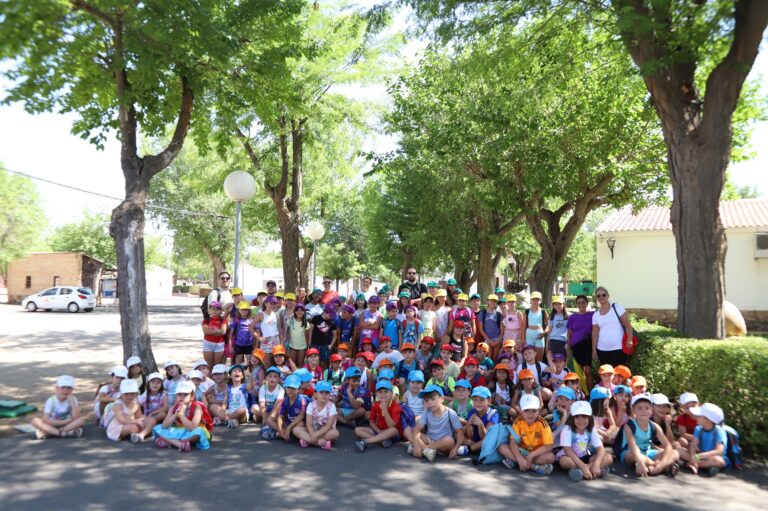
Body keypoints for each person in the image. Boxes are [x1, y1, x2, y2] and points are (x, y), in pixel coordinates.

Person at [618, 394, 680, 477]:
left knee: (675, 453)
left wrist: (661, 464)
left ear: (651, 410)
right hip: (632, 452)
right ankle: (661, 466)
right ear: (633, 410)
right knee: (633, 456)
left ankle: (657, 468)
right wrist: (640, 460)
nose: (644, 411)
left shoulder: (654, 426)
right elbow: (633, 446)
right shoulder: (629, 425)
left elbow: (668, 445)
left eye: (647, 408)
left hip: (648, 452)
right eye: (639, 408)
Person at [500, 394, 555, 475]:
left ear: (538, 411)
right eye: (527, 410)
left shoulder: (543, 424)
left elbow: (549, 446)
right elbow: (512, 442)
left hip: (536, 453)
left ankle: (516, 461)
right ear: (521, 411)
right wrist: (519, 458)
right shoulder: (518, 422)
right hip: (522, 451)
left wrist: (532, 455)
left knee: (551, 457)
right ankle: (534, 467)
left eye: (534, 410)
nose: (530, 414)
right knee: (501, 447)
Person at [558, 401, 613, 481]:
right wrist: (583, 466)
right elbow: (568, 451)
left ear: (589, 417)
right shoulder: (567, 429)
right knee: (564, 462)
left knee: (609, 457)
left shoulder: (591, 429)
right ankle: (592, 471)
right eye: (577, 417)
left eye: (584, 416)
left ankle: (583, 472)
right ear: (572, 417)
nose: (581, 421)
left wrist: (596, 464)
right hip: (571, 457)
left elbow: (600, 448)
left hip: (585, 456)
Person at [152, 380, 212, 452]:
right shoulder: (174, 407)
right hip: (181, 431)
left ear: (192, 396)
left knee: (198, 432)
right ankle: (180, 444)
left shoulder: (197, 408)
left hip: (194, 432)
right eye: (179, 394)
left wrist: (181, 415)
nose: (181, 397)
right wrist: (175, 415)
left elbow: (192, 428)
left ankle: (171, 441)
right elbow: (164, 426)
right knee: (158, 428)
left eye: (185, 394)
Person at [410, 384, 464, 461]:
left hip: (443, 444)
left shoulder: (450, 413)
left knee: (449, 440)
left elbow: (460, 432)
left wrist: (456, 448)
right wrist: (416, 444)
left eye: (433, 399)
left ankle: (425, 449)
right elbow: (416, 430)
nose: (430, 403)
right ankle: (425, 449)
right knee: (414, 431)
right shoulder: (427, 411)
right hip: (430, 439)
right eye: (426, 400)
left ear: (442, 399)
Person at [678, 402, 729, 476]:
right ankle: (704, 466)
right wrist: (693, 456)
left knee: (719, 461)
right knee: (679, 450)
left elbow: (719, 451)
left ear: (708, 419)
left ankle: (689, 464)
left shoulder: (719, 431)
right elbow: (694, 445)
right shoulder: (698, 428)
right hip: (700, 456)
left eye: (699, 416)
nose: (696, 416)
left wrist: (698, 457)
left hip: (712, 457)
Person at [354, 380, 405, 452]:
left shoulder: (395, 406)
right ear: (376, 394)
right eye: (380, 392)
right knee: (357, 430)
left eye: (386, 391)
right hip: (380, 430)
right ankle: (381, 441)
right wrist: (379, 432)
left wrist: (385, 410)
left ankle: (365, 442)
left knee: (393, 430)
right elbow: (371, 421)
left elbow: (392, 426)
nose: (383, 394)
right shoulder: (375, 405)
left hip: (393, 434)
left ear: (391, 393)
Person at [32, 375, 85, 439]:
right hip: (53, 424)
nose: (65, 390)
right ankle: (62, 433)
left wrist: (73, 403)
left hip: (67, 425)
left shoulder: (73, 399)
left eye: (69, 388)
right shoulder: (51, 400)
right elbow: (46, 419)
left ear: (72, 390)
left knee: (81, 421)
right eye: (63, 387)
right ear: (57, 388)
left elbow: (76, 417)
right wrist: (63, 422)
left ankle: (51, 433)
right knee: (35, 421)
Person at [102, 379, 155, 444]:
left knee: (152, 420)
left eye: (132, 394)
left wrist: (147, 420)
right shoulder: (118, 405)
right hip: (119, 426)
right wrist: (137, 421)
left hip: (133, 422)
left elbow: (139, 415)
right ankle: (137, 433)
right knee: (134, 427)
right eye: (126, 394)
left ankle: (141, 435)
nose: (129, 396)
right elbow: (122, 420)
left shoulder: (136, 402)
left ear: (136, 394)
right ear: (121, 394)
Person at [591, 286, 633, 367]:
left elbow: (627, 325)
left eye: (603, 295)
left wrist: (630, 339)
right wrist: (594, 350)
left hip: (618, 348)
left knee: (619, 376)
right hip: (602, 350)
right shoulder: (596, 315)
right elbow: (595, 332)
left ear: (608, 296)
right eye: (598, 296)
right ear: (596, 298)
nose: (601, 297)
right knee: (607, 377)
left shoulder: (617, 307)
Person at [294, 381, 339, 450]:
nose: (324, 395)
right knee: (296, 430)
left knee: (335, 433)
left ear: (330, 394)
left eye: (327, 393)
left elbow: (328, 426)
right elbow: (308, 424)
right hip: (312, 430)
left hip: (325, 431)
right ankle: (320, 443)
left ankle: (308, 441)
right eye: (321, 392)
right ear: (315, 394)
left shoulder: (332, 406)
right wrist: (313, 434)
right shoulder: (311, 405)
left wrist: (315, 435)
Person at [458, 386, 498, 456]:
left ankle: (471, 449)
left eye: (482, 400)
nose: (478, 403)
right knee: (459, 433)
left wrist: (480, 425)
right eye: (475, 400)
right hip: (475, 441)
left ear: (489, 401)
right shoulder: (472, 412)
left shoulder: (493, 414)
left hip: (486, 440)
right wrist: (469, 425)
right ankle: (477, 448)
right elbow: (470, 436)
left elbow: (486, 437)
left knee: (488, 440)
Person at [566, 295, 595, 389]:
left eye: (583, 302)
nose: (581, 304)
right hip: (576, 346)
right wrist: (568, 348)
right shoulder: (572, 317)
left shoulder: (592, 315)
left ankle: (590, 395)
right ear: (576, 304)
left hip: (587, 345)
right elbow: (569, 334)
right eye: (579, 302)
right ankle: (581, 394)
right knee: (578, 372)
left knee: (588, 371)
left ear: (587, 303)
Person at [272, 375, 308, 442]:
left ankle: (287, 434)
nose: (290, 390)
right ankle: (285, 434)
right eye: (288, 388)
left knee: (300, 424)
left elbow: (301, 416)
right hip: (290, 422)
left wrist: (289, 428)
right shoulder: (285, 400)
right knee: (275, 421)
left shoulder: (302, 400)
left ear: (298, 389)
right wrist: (280, 429)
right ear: (285, 388)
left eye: (293, 388)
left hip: (302, 423)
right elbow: (280, 416)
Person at [252, 366, 284, 431]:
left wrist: (271, 416)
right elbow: (262, 403)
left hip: (275, 409)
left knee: (279, 413)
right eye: (270, 376)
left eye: (275, 377)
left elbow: (278, 404)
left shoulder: (281, 389)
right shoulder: (263, 388)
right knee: (253, 408)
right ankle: (264, 418)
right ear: (266, 378)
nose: (272, 378)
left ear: (279, 379)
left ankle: (264, 418)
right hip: (265, 409)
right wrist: (264, 416)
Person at [309, 305, 339, 370]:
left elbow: (335, 335)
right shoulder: (316, 318)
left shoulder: (332, 322)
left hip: (325, 346)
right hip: (314, 344)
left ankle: (324, 378)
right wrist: (309, 343)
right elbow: (311, 331)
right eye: (330, 315)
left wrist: (330, 345)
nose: (331, 316)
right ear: (325, 312)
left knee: (324, 364)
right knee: (315, 363)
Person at [521, 291, 548, 363]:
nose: (535, 301)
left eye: (537, 299)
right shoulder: (527, 311)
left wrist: (544, 333)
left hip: (540, 335)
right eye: (533, 299)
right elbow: (523, 327)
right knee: (529, 358)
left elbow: (549, 325)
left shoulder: (543, 311)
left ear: (540, 301)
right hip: (529, 335)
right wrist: (523, 339)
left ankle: (539, 373)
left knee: (539, 359)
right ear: (531, 300)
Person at [202, 300, 227, 368]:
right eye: (212, 309)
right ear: (209, 310)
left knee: (217, 366)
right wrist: (218, 331)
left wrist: (212, 331)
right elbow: (206, 332)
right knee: (209, 366)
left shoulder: (223, 320)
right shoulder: (206, 320)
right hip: (208, 343)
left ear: (220, 310)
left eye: (217, 309)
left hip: (219, 344)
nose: (214, 311)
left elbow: (223, 331)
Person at [229, 301, 256, 365]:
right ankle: (239, 372)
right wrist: (230, 346)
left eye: (246, 309)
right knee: (238, 361)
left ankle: (248, 374)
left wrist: (255, 345)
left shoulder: (252, 320)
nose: (244, 311)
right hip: (239, 344)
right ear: (238, 310)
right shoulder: (236, 320)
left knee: (249, 362)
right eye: (242, 309)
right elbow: (230, 334)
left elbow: (255, 332)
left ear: (249, 310)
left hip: (249, 344)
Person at [478, 294, 503, 359]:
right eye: (491, 300)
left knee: (495, 356)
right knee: (488, 356)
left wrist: (497, 341)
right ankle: (488, 369)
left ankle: (495, 369)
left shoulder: (498, 314)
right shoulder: (483, 313)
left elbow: (502, 330)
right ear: (488, 301)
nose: (492, 302)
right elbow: (481, 329)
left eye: (494, 301)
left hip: (497, 339)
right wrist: (489, 340)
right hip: (487, 339)